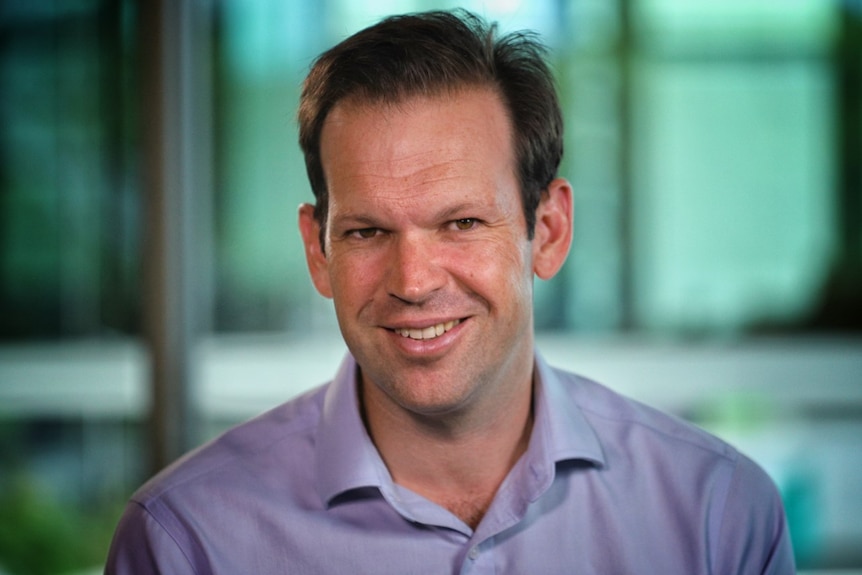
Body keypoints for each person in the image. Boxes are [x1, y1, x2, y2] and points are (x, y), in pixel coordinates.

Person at [105, 9, 795, 574]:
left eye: (461, 223)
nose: (413, 281)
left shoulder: (717, 517)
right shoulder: (185, 542)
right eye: (368, 232)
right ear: (318, 250)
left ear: (548, 230)